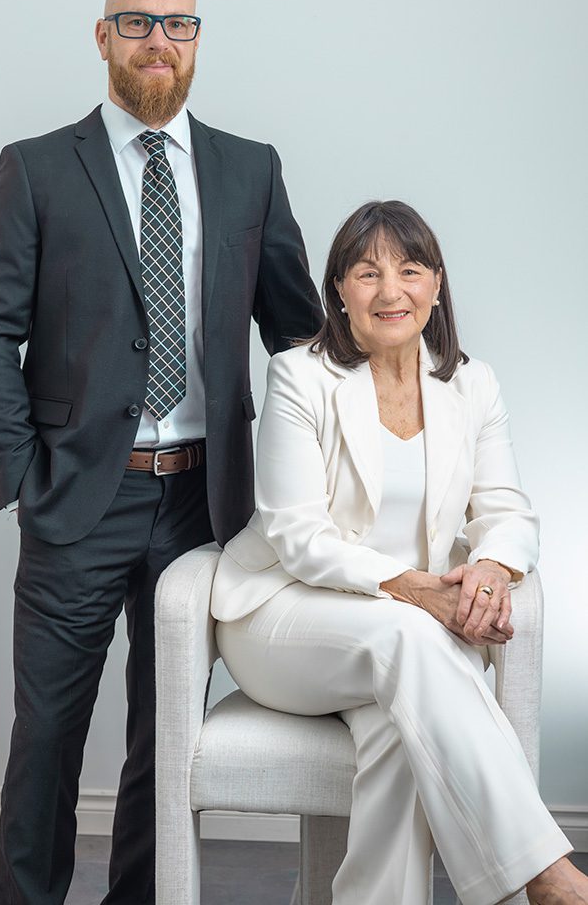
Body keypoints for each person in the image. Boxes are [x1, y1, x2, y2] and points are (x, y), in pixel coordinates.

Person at [0, 0, 322, 905]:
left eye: (178, 25)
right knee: (47, 735)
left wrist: (381, 428)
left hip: (204, 505)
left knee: (166, 735)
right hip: (78, 496)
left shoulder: (250, 168)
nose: (158, 41)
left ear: (197, 39)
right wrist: (25, 472)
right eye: (137, 22)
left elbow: (298, 334)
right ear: (103, 36)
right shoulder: (36, 167)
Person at [211, 200, 588, 905]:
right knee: (412, 636)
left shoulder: (471, 384)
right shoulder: (300, 375)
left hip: (402, 637)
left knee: (399, 728)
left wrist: (487, 567)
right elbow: (296, 535)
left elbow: (506, 511)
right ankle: (546, 878)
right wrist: (420, 590)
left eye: (409, 270)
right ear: (338, 293)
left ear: (436, 285)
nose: (390, 291)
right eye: (366, 273)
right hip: (280, 620)